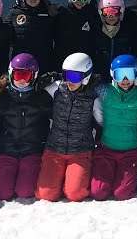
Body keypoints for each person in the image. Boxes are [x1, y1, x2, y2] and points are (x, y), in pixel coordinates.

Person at [35, 52, 99, 202]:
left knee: (75, 194)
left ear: (86, 77)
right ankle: (58, 179)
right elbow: (34, 96)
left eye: (75, 77)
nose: (69, 81)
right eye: (66, 75)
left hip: (80, 151)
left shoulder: (93, 98)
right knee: (45, 195)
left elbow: (101, 122)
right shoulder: (56, 89)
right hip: (54, 149)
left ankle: (72, 178)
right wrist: (42, 82)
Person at [0, 53, 53, 201]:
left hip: (32, 151)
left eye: (27, 76)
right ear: (11, 75)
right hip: (7, 150)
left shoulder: (42, 97)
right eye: (18, 75)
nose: (22, 80)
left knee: (25, 191)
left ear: (34, 76)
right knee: (1, 193)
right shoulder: (2, 96)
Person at [90, 54, 137, 200]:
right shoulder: (105, 91)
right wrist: (91, 81)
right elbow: (80, 85)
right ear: (112, 74)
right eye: (119, 75)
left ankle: (132, 177)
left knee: (122, 194)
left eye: (129, 74)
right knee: (98, 193)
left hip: (131, 151)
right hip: (106, 149)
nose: (124, 80)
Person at [7, 0, 58, 70]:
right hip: (21, 67)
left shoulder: (51, 12)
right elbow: (4, 36)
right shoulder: (14, 13)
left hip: (45, 65)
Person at [56, 0, 101, 68]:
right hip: (64, 63)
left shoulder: (95, 14)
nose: (79, 1)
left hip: (88, 63)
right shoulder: (61, 13)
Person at [92, 0, 137, 70]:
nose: (111, 16)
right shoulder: (95, 31)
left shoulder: (128, 31)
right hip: (100, 76)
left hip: (122, 76)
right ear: (101, 13)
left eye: (114, 11)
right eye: (107, 12)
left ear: (121, 12)